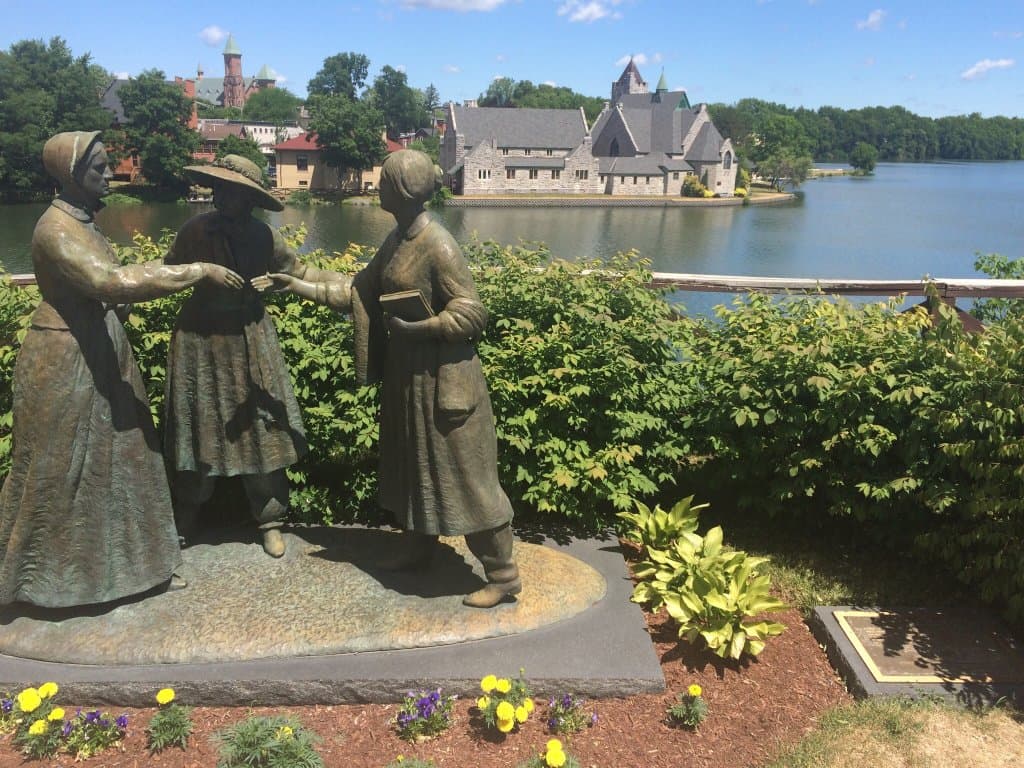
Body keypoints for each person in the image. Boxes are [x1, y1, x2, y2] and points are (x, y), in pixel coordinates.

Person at [254, 149, 521, 608]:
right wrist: (296, 283)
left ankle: (503, 574)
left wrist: (423, 327)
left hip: (444, 382)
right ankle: (419, 545)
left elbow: (472, 313)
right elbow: (359, 290)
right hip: (409, 379)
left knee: (466, 476)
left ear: (400, 189)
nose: (376, 185)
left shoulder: (438, 243)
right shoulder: (398, 238)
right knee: (413, 467)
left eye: (383, 181)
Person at [0, 131, 244, 608]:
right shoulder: (55, 229)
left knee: (125, 461)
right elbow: (107, 281)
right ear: (72, 174)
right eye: (99, 168)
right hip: (68, 357)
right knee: (61, 470)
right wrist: (197, 270)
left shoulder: (85, 223)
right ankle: (46, 584)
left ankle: (135, 570)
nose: (110, 174)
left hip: (100, 346)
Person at [164, 155, 334, 558]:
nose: (218, 195)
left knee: (262, 428)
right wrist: (201, 271)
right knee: (199, 427)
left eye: (229, 190)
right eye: (216, 187)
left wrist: (287, 284)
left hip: (250, 337)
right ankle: (185, 514)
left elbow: (299, 272)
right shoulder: (195, 230)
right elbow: (166, 272)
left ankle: (270, 519)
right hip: (200, 339)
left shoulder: (264, 236)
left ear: (248, 198)